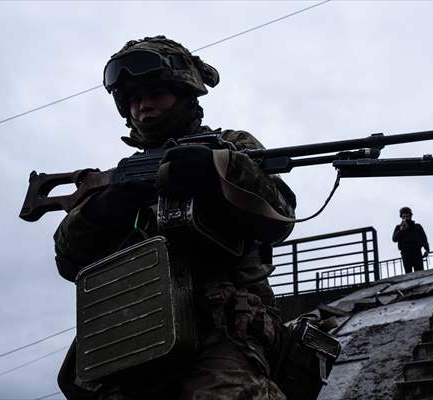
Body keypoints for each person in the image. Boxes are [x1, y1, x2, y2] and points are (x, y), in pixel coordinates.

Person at [53, 36, 295, 399]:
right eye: (133, 99)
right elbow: (67, 260)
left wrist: (220, 174)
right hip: (131, 334)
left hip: (219, 331)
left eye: (155, 94)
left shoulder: (228, 146)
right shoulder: (115, 177)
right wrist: (97, 213)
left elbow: (281, 215)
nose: (143, 107)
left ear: (185, 94)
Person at [392, 206, 430, 273]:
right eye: (404, 217)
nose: (406, 218)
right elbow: (394, 239)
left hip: (417, 252)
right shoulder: (398, 227)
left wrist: (427, 249)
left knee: (420, 273)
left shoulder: (417, 226)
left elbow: (424, 238)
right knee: (408, 274)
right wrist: (401, 230)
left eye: (407, 216)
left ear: (410, 216)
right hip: (405, 253)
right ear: (401, 217)